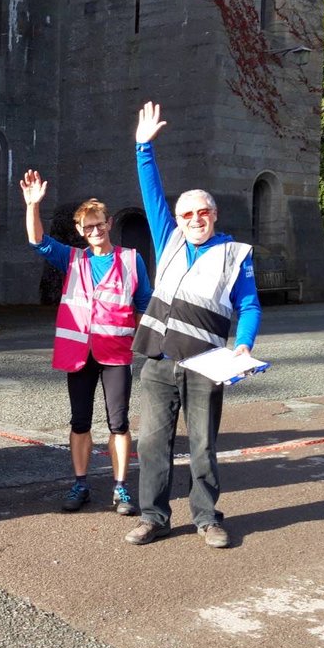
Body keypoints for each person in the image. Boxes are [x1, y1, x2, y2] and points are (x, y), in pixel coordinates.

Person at [126, 102, 262, 550]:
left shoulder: (234, 254)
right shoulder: (168, 239)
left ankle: (206, 519)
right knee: (152, 445)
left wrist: (243, 344)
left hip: (206, 364)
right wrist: (143, 147)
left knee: (202, 446)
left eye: (202, 212)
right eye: (187, 215)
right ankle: (154, 517)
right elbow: (151, 191)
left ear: (214, 214)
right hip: (158, 362)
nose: (194, 220)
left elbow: (250, 306)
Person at [19, 170, 152, 516]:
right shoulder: (73, 258)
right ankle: (80, 483)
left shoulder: (131, 259)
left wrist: (141, 342)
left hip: (116, 355)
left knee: (119, 423)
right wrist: (33, 205)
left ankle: (121, 487)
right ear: (80, 230)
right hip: (79, 353)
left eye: (100, 224)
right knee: (80, 422)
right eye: (88, 227)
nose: (95, 231)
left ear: (109, 224)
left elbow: (144, 304)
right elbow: (38, 241)